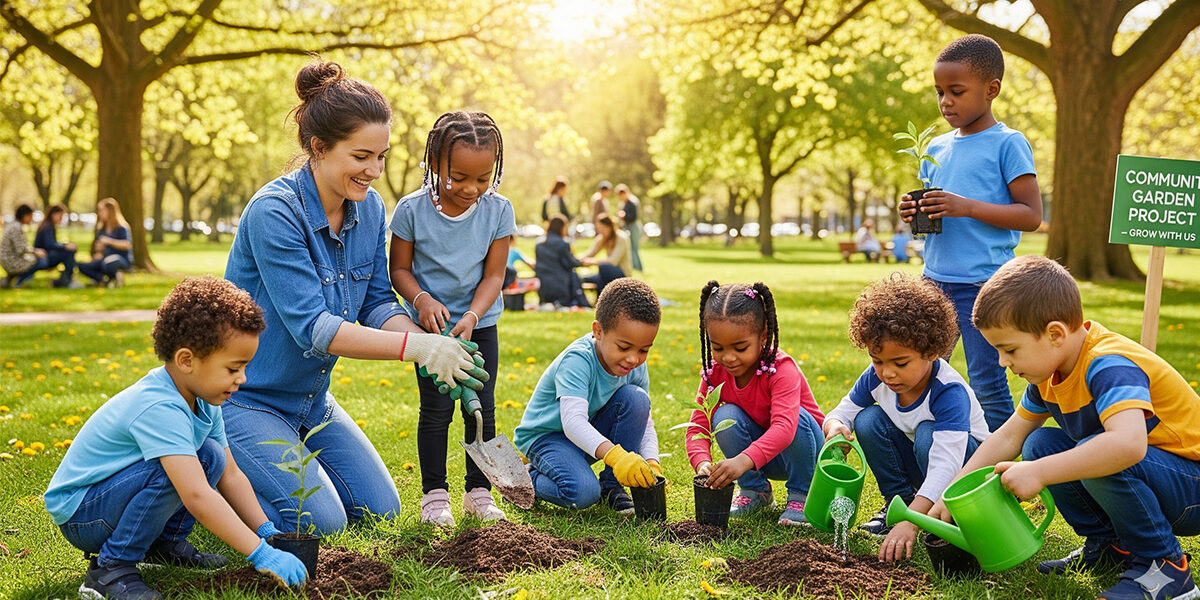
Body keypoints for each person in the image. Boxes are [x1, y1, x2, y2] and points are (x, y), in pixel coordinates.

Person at [224, 59, 486, 535]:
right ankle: (216, 472)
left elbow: (378, 304)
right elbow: (316, 329)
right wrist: (420, 348)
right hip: (245, 400)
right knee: (321, 523)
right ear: (319, 148)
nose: (375, 171)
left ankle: (269, 464)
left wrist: (437, 348)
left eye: (382, 156)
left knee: (379, 512)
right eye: (362, 156)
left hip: (310, 400)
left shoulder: (368, 210)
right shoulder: (274, 213)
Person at [930, 255, 1200, 599]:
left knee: (1100, 449)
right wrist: (951, 491)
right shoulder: (1049, 376)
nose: (1002, 362)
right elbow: (1010, 435)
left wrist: (1039, 473)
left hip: (1191, 486)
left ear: (1055, 334)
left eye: (1009, 349)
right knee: (1040, 442)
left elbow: (1128, 446)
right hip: (1160, 478)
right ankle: (1111, 547)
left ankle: (1166, 567)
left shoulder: (1108, 365)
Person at [44, 277, 308, 600]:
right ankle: (110, 569)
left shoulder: (204, 398)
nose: (243, 378)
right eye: (233, 368)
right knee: (175, 470)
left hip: (108, 500)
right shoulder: (160, 406)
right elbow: (197, 496)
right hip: (83, 514)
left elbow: (230, 474)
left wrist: (266, 532)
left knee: (211, 455)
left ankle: (164, 544)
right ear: (186, 361)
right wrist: (259, 554)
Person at [898, 34, 1042, 432]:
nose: (946, 102)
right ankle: (929, 452)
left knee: (987, 383)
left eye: (957, 92)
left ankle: (998, 470)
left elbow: (1030, 215)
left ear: (991, 89)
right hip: (934, 283)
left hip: (984, 285)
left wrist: (967, 207)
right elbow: (935, 217)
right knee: (920, 375)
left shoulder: (1008, 144)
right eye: (940, 92)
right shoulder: (937, 148)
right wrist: (913, 211)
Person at [389, 110, 515, 526]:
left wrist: (474, 315)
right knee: (437, 409)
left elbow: (495, 274)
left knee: (482, 408)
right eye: (458, 176)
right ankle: (434, 496)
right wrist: (422, 300)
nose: (470, 188)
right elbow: (399, 270)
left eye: (483, 179)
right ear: (434, 163)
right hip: (433, 329)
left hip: (480, 323)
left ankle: (479, 492)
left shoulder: (498, 211)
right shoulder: (411, 210)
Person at [822, 273, 989, 557]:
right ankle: (899, 503)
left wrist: (912, 522)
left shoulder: (948, 392)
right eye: (878, 361)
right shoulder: (876, 378)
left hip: (965, 476)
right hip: (924, 462)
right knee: (867, 420)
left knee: (927, 434)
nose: (887, 372)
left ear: (932, 352)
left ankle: (938, 515)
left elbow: (946, 465)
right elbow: (843, 411)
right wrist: (836, 426)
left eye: (900, 363)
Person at [514, 278, 663, 513]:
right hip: (547, 437)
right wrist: (616, 457)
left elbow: (645, 421)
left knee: (637, 398)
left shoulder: (633, 366)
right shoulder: (578, 360)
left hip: (586, 434)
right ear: (598, 331)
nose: (634, 358)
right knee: (582, 493)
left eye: (644, 350)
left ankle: (612, 487)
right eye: (624, 347)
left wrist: (653, 462)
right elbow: (572, 423)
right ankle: (522, 479)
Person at [689, 281, 825, 526]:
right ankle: (755, 491)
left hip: (807, 450)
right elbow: (700, 424)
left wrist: (741, 461)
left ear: (763, 336)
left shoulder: (781, 369)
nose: (728, 357)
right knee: (724, 416)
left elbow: (784, 429)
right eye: (717, 347)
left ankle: (803, 494)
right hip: (763, 457)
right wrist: (702, 462)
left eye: (740, 348)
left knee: (797, 418)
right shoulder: (715, 373)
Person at [534, 214, 589, 309]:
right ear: (562, 227)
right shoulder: (563, 243)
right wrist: (583, 262)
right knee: (573, 273)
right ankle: (582, 302)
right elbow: (570, 263)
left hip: (543, 285)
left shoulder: (539, 244)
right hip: (560, 285)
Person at [78, 197, 134, 287]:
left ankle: (114, 276)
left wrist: (109, 241)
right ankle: (101, 280)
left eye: (102, 211)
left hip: (120, 259)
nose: (99, 213)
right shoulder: (101, 229)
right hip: (104, 259)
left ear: (110, 211)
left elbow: (127, 244)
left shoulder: (122, 227)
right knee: (81, 265)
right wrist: (99, 251)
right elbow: (99, 249)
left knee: (109, 263)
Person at [580, 213, 632, 296]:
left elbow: (613, 261)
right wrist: (575, 259)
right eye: (599, 229)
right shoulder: (602, 238)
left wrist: (593, 262)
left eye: (603, 228)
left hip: (622, 274)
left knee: (603, 268)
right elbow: (590, 253)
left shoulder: (621, 238)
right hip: (607, 274)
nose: (601, 231)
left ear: (610, 227)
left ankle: (606, 297)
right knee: (582, 279)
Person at [1, 203, 48, 288]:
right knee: (42, 261)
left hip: (7, 258)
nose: (31, 219)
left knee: (34, 258)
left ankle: (9, 279)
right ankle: (19, 281)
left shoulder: (12, 224)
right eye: (31, 216)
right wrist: (36, 252)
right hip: (10, 261)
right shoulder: (16, 227)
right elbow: (21, 249)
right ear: (25, 215)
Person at [35, 204, 82, 288]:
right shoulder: (48, 226)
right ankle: (67, 280)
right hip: (44, 257)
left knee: (69, 251)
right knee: (69, 251)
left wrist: (65, 245)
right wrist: (65, 246)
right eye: (61, 216)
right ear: (54, 214)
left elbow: (51, 243)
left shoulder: (47, 225)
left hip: (44, 255)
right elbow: (50, 244)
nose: (62, 218)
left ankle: (64, 280)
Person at [615, 184, 643, 271]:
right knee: (630, 248)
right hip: (628, 226)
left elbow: (633, 216)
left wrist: (624, 215)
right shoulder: (624, 203)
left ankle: (638, 267)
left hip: (633, 227)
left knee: (634, 248)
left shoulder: (632, 202)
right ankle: (634, 266)